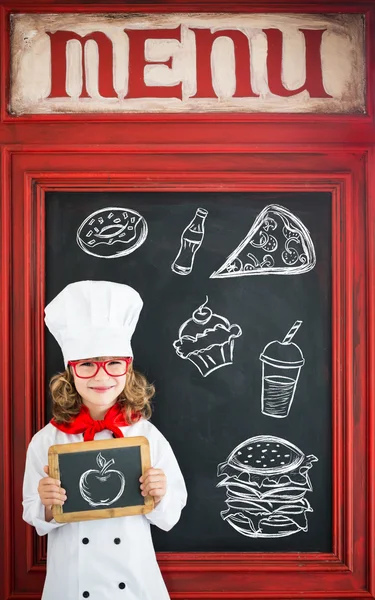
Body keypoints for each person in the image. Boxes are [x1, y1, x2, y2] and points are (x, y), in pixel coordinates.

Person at [22, 280, 187, 600]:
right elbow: (34, 517)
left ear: (127, 369)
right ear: (71, 372)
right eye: (87, 365)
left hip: (136, 584)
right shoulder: (46, 441)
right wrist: (45, 503)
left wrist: (160, 492)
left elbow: (171, 515)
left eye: (114, 363)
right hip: (70, 584)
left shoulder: (146, 436)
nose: (101, 376)